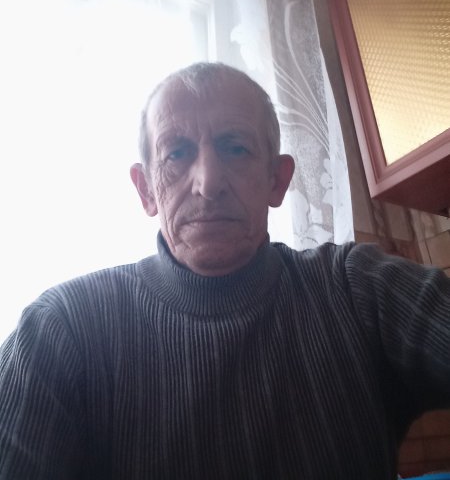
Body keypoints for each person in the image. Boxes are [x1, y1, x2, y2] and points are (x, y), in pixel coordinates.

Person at [0, 62, 449, 480]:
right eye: (176, 153)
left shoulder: (356, 288)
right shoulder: (60, 329)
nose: (208, 182)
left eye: (235, 148)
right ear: (146, 190)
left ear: (277, 180)